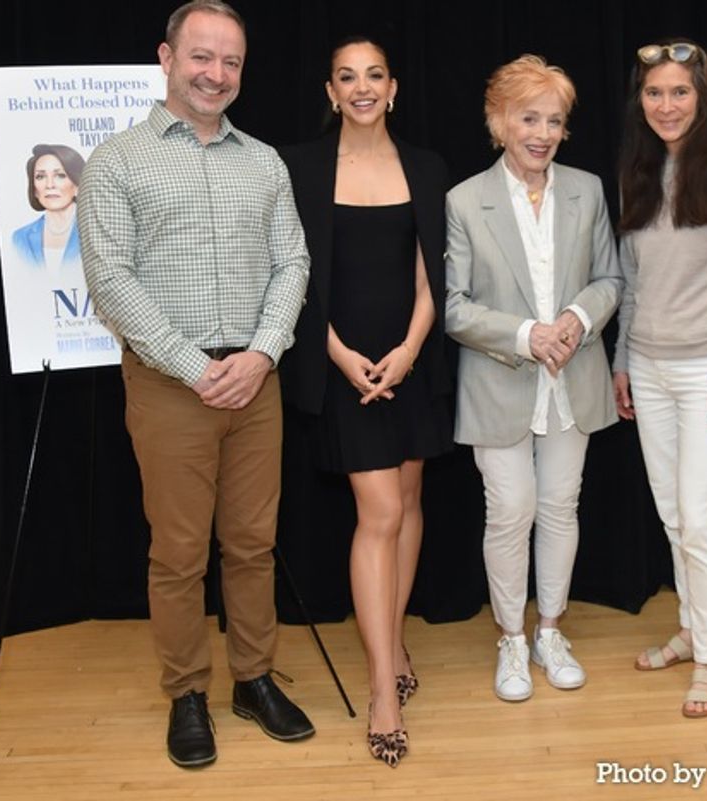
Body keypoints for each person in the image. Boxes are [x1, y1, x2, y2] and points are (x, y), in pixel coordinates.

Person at [78, 0, 312, 769]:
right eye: (202, 57)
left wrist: (263, 351)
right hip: (171, 385)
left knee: (252, 544)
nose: (216, 74)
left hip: (255, 380)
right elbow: (111, 279)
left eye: (231, 61)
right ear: (167, 57)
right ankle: (186, 692)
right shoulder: (116, 160)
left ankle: (253, 679)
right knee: (179, 552)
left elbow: (293, 264)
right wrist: (194, 365)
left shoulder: (265, 161)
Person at [277, 36, 452, 768]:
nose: (361, 87)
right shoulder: (300, 168)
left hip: (411, 360)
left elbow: (429, 268)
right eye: (347, 77)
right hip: (341, 362)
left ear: (394, 87)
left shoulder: (427, 165)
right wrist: (342, 356)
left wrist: (410, 350)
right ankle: (383, 687)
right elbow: (292, 274)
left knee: (409, 503)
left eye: (373, 75)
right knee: (378, 514)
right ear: (329, 91)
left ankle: (397, 637)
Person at [446, 55, 622, 704]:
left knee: (559, 507)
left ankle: (550, 630)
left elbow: (610, 278)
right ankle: (511, 639)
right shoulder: (465, 200)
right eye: (529, 117)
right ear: (499, 122)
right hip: (500, 381)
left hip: (574, 377)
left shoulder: (588, 190)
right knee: (511, 510)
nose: (542, 132)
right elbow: (456, 304)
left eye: (554, 120)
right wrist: (527, 334)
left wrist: (576, 319)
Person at [612, 39, 707, 718]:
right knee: (675, 513)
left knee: (702, 516)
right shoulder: (639, 170)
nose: (666, 105)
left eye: (679, 92)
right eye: (654, 93)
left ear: (702, 97)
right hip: (647, 365)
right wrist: (620, 360)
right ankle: (688, 628)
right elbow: (632, 280)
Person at [12, 144, 84, 270]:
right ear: (34, 189)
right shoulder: (20, 238)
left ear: (77, 185)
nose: (49, 185)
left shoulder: (96, 231)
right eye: (40, 176)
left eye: (60, 175)